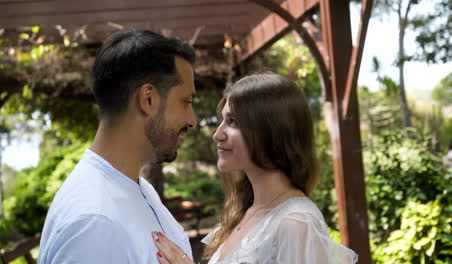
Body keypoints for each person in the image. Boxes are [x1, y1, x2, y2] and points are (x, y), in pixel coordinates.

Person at [151, 72, 358, 263]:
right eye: (222, 120)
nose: (217, 134)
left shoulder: (296, 223)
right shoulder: (244, 212)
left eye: (233, 122)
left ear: (271, 131)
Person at [38, 29, 197, 263]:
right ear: (148, 100)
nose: (192, 120)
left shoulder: (137, 188)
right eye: (186, 102)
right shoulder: (95, 224)